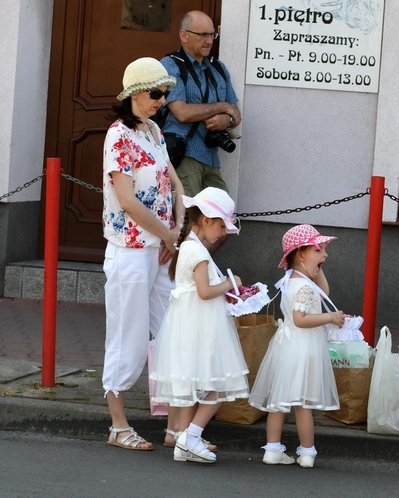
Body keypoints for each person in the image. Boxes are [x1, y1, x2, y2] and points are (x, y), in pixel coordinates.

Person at [102, 57, 184, 451]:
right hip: (131, 250)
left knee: (171, 331)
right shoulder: (118, 136)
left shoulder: (153, 131)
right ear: (134, 93)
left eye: (165, 93)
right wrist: (168, 235)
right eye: (155, 93)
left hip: (158, 249)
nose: (161, 100)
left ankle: (173, 425)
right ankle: (118, 426)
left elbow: (173, 181)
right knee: (128, 337)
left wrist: (177, 230)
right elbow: (128, 202)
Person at [150, 187, 249, 464]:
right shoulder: (199, 253)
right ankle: (191, 435)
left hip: (189, 322)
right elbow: (205, 291)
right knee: (220, 384)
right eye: (221, 226)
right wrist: (232, 283)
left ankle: (183, 437)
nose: (223, 232)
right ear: (206, 220)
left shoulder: (189, 246)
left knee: (190, 383)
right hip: (200, 324)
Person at [248, 224, 344, 468]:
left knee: (279, 402)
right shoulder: (302, 286)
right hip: (303, 347)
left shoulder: (293, 279)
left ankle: (272, 450)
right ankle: (308, 453)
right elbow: (301, 319)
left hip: (285, 346)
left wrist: (317, 268)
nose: (325, 254)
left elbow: (323, 291)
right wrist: (330, 317)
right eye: (318, 250)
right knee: (303, 404)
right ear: (301, 254)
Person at [160, 10, 241, 198]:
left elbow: (235, 112)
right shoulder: (170, 65)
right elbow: (182, 112)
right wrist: (223, 107)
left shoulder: (218, 67)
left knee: (221, 217)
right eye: (203, 35)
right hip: (184, 157)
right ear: (184, 35)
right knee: (188, 221)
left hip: (212, 158)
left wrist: (226, 121)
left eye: (212, 34)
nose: (210, 41)